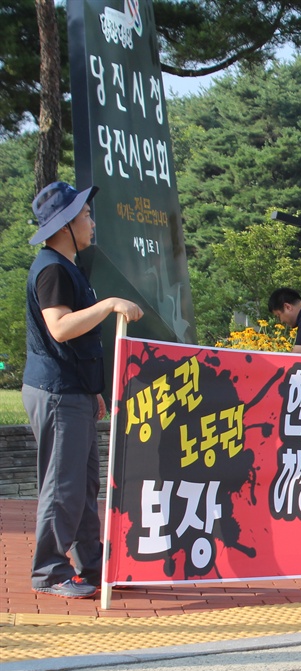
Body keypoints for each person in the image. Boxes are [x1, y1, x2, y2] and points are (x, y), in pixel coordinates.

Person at [23, 181, 143, 599]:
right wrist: (109, 304)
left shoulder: (67, 266)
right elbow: (60, 327)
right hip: (57, 392)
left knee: (85, 483)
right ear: (64, 225)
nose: (91, 221)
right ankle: (50, 571)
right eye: (85, 215)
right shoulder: (53, 268)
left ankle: (92, 564)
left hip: (73, 390)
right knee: (64, 484)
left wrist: (93, 390)